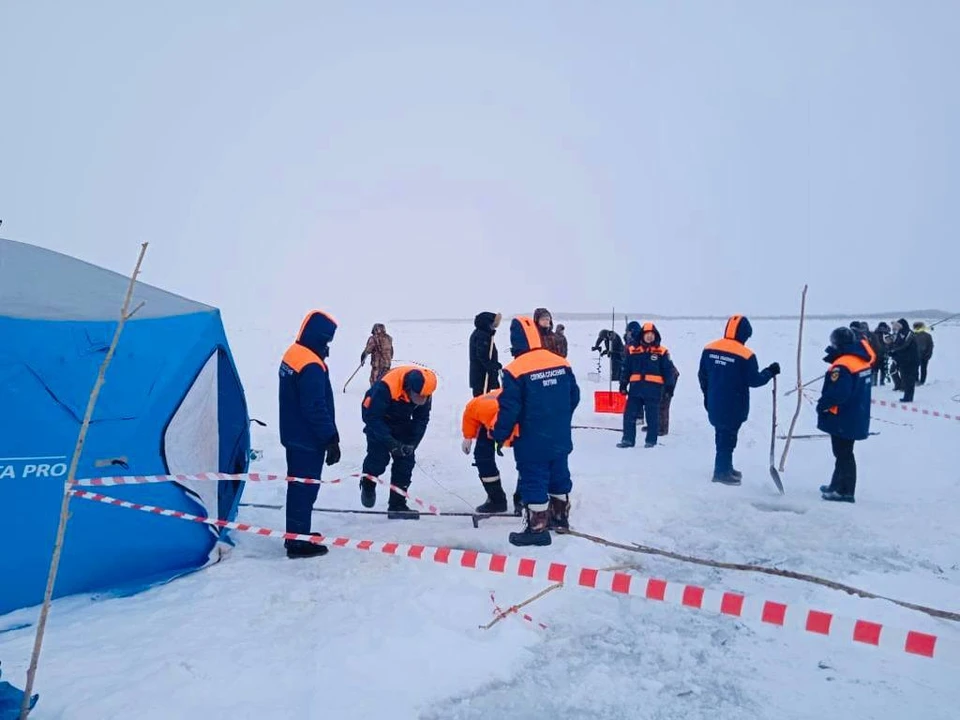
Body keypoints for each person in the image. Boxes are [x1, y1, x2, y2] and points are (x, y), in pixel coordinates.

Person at [492, 316, 580, 546]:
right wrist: (559, 416)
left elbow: (509, 408)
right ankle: (560, 519)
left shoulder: (514, 370)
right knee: (559, 474)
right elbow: (574, 396)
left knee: (534, 479)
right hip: (560, 434)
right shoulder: (560, 361)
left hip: (532, 439)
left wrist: (499, 435)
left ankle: (537, 528)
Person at [278, 310, 341, 558]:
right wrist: (330, 438)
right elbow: (315, 406)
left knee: (299, 488)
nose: (327, 347)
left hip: (294, 434)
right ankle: (297, 543)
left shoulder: (294, 353)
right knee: (304, 489)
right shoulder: (311, 365)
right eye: (326, 341)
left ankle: (298, 532)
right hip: (307, 439)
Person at [698, 315, 780, 485]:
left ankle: (726, 467)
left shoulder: (709, 349)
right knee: (727, 438)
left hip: (715, 401)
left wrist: (707, 395)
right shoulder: (745, 355)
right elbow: (754, 380)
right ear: (744, 334)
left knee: (722, 435)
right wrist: (770, 371)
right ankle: (721, 473)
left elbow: (702, 375)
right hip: (734, 405)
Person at [360, 365, 437, 518]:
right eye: (417, 397)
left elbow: (421, 419)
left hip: (402, 420)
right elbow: (372, 417)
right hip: (378, 419)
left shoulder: (425, 390)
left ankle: (397, 505)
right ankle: (368, 483)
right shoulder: (386, 386)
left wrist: (412, 444)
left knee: (406, 462)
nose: (420, 401)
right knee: (379, 458)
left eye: (423, 398)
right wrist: (391, 443)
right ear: (408, 388)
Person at [816, 327, 873, 503]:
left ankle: (846, 492)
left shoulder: (843, 365)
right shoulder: (859, 360)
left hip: (844, 416)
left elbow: (839, 393)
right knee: (842, 452)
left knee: (844, 454)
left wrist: (822, 405)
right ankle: (836, 485)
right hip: (856, 413)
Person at [617, 322, 677, 448]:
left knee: (652, 417)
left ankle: (651, 441)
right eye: (647, 334)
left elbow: (668, 371)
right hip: (635, 390)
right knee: (629, 415)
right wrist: (623, 384)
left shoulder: (662, 352)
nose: (649, 337)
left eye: (652, 335)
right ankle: (627, 440)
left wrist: (669, 388)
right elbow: (626, 369)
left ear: (655, 336)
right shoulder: (633, 351)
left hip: (653, 391)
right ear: (642, 336)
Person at [460, 389, 520, 514]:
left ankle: (524, 499)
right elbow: (469, 415)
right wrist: (468, 437)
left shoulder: (523, 414)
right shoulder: (479, 408)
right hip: (493, 416)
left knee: (529, 460)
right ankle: (496, 499)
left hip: (519, 421)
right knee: (482, 456)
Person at [468, 312, 502, 397]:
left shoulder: (482, 334)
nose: (493, 327)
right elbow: (482, 356)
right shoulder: (482, 336)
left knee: (483, 399)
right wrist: (493, 367)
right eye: (492, 324)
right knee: (482, 400)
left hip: (480, 376)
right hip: (482, 376)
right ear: (487, 323)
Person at [887, 318, 919, 402]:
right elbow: (897, 345)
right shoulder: (900, 333)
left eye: (898, 325)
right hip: (903, 359)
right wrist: (893, 352)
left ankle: (908, 397)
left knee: (909, 379)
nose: (896, 327)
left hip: (911, 360)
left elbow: (904, 345)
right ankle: (906, 396)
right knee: (905, 378)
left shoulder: (909, 333)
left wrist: (894, 351)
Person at [659, 364, 680, 436]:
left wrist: (669, 388)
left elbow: (670, 371)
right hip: (663, 376)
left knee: (663, 403)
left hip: (669, 377)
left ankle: (662, 428)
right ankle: (655, 425)